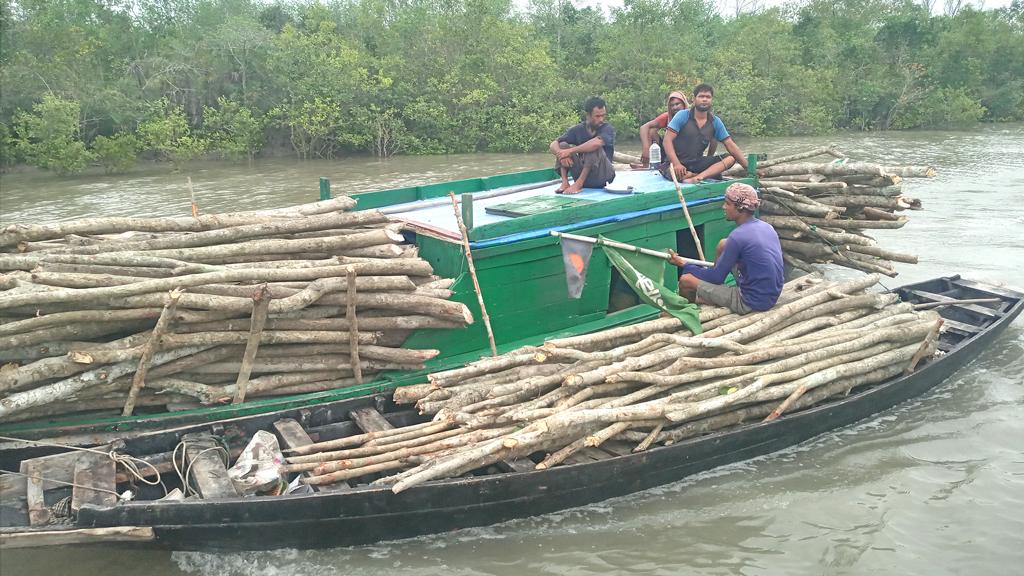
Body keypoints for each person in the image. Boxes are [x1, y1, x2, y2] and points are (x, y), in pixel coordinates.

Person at [669, 182, 783, 314]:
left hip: (751, 302)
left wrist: (685, 265)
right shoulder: (766, 227)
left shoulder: (737, 236)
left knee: (686, 280)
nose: (724, 207)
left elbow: (715, 277)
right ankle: (714, 293)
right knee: (723, 244)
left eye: (727, 204)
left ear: (740, 208)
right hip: (771, 296)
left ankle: (685, 311)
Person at [660, 83, 748, 183]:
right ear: (694, 99)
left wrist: (749, 168)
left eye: (708, 97)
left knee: (730, 158)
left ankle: (698, 177)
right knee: (677, 175)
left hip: (697, 162)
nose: (705, 99)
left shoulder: (715, 121)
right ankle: (694, 175)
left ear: (711, 100)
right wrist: (676, 164)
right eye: (701, 96)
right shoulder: (683, 115)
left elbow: (730, 145)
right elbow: (667, 141)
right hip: (675, 162)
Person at [550, 97, 616, 195]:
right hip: (583, 175)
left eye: (603, 116)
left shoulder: (607, 129)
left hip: (603, 176)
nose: (601, 119)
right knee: (562, 145)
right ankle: (565, 183)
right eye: (597, 116)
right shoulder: (578, 129)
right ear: (588, 115)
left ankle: (578, 184)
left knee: (593, 146)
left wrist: (570, 151)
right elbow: (553, 144)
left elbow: (596, 143)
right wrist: (561, 154)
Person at [633, 91, 690, 169]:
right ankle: (647, 164)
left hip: (686, 151)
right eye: (671, 105)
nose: (674, 107)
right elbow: (644, 127)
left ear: (684, 104)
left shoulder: (691, 116)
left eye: (677, 104)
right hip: (669, 149)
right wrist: (646, 149)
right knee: (651, 131)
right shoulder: (667, 116)